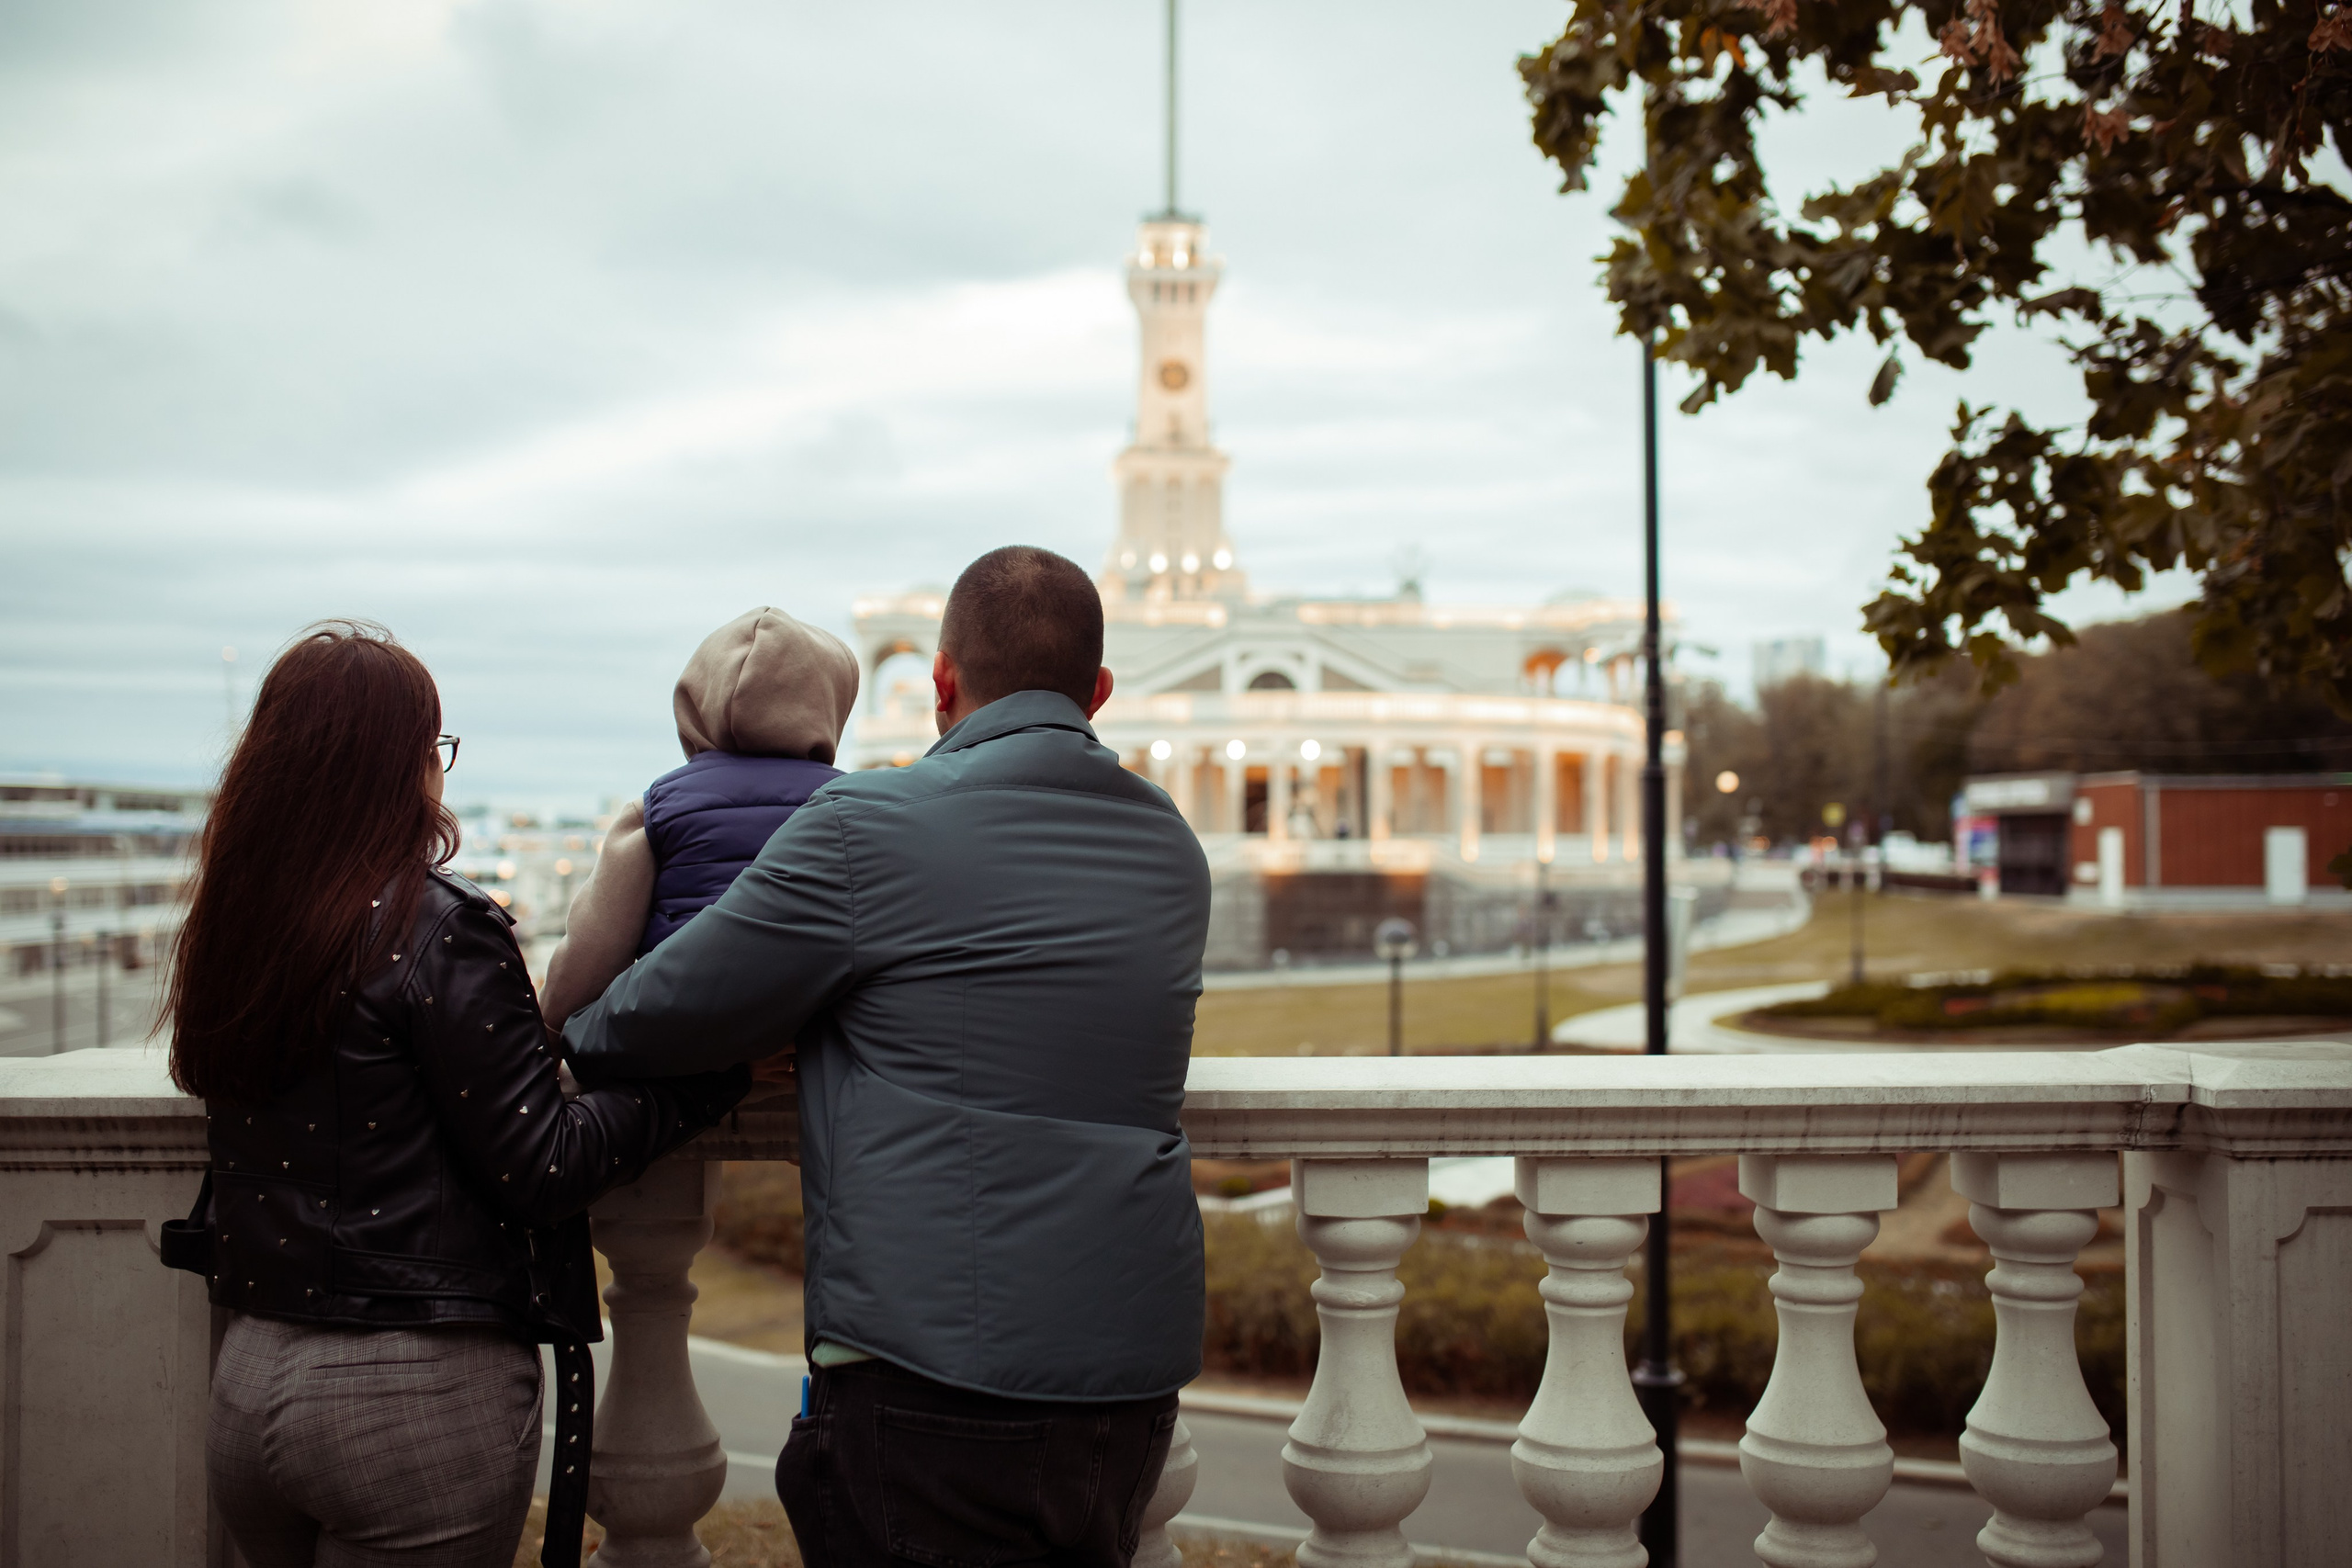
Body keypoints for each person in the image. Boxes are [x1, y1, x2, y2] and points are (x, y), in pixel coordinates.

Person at [564, 546, 1209, 1568]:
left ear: (941, 682)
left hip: (929, 1371)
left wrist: (566, 1044)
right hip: (1130, 1381)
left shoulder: (871, 825)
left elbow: (658, 1014)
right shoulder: (1171, 844)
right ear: (1098, 693)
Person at [164, 621, 750, 1568]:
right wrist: (698, 1083)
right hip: (410, 1399)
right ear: (401, 768)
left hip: (249, 1378)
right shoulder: (438, 928)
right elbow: (543, 1160)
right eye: (432, 750)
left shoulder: (237, 925)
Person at [538, 604, 858, 1055]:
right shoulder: (858, 808)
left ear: (695, 699)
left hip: (683, 1070)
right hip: (815, 1066)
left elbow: (592, 949)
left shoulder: (657, 808)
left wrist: (550, 1036)